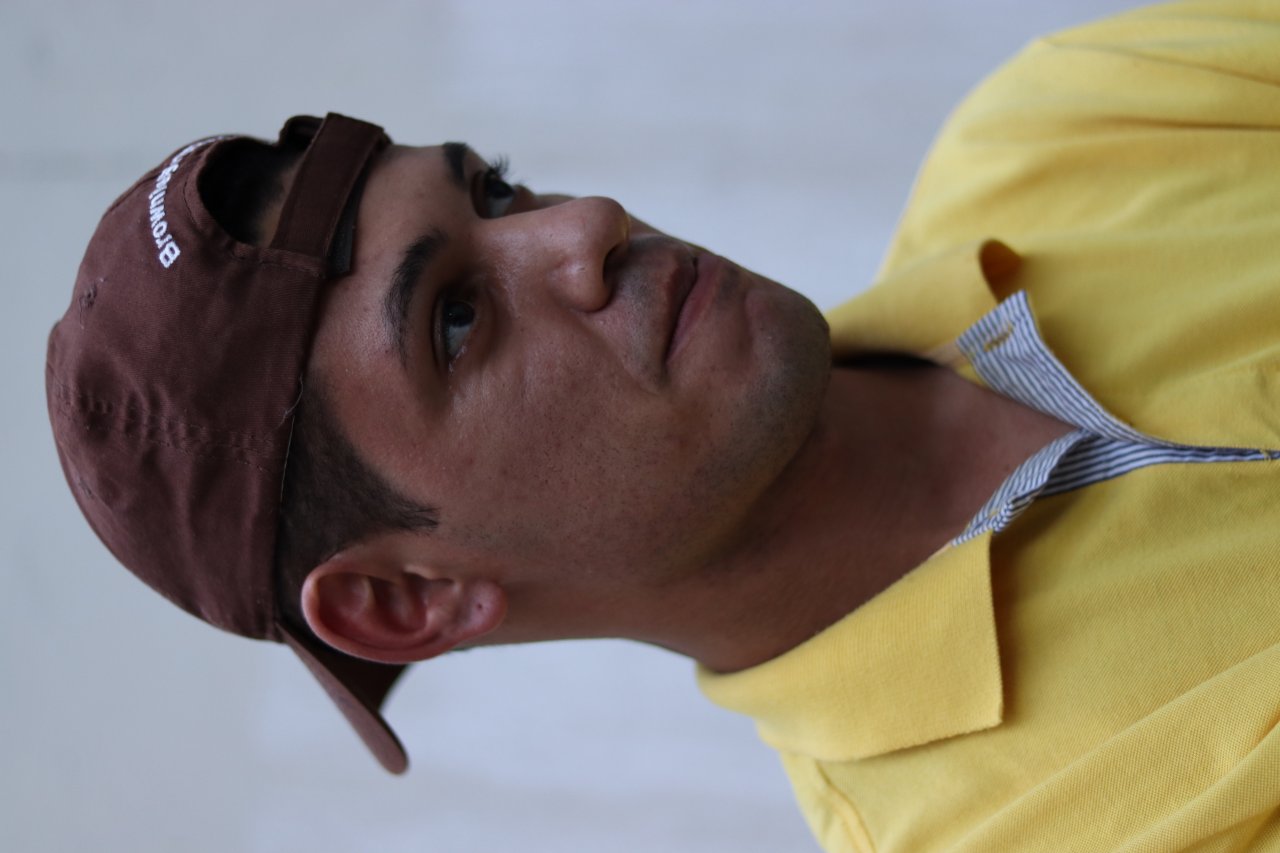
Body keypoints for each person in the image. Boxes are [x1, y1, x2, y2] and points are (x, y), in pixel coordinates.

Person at [45, 2, 1280, 850]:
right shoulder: (1015, 831)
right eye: (456, 321)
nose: (582, 225)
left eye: (495, 188)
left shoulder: (1077, 124)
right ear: (407, 600)